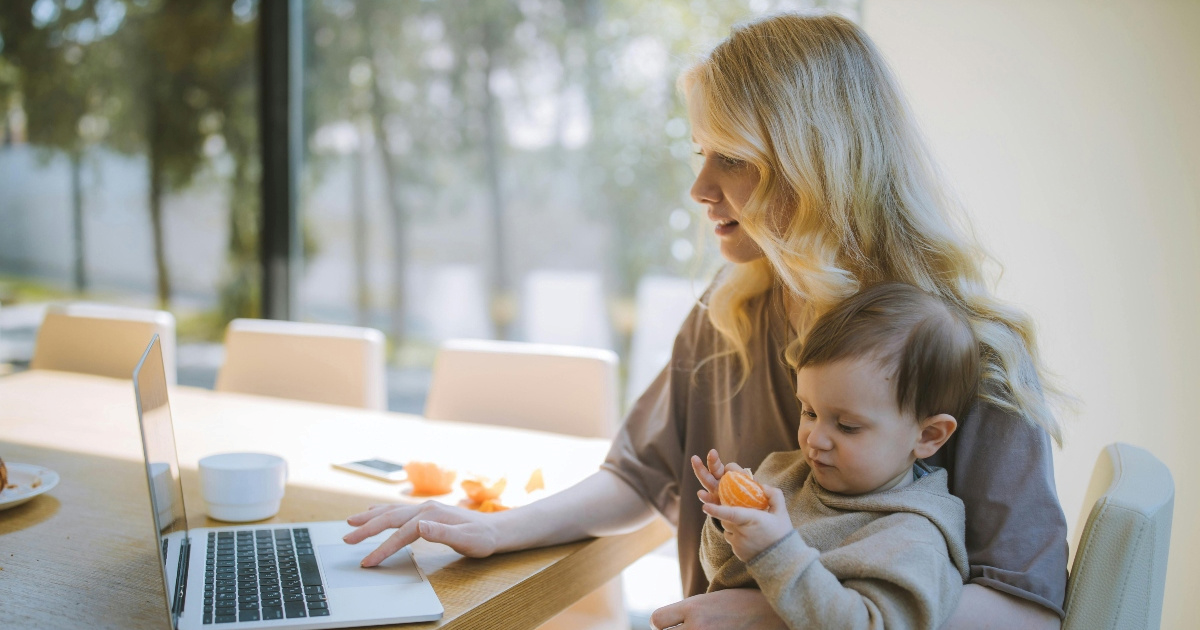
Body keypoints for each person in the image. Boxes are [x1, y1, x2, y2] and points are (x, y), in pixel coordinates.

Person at [342, 12, 1069, 629]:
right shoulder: (730, 308)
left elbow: (1025, 607)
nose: (699, 187)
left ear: (817, 164)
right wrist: (494, 529)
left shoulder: (972, 353)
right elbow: (639, 474)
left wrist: (778, 610)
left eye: (733, 159)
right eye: (699, 153)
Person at [693, 282, 978, 629]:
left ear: (928, 436)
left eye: (847, 426)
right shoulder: (783, 474)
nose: (815, 438)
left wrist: (777, 552)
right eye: (809, 412)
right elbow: (722, 576)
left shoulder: (913, 538)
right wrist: (730, 520)